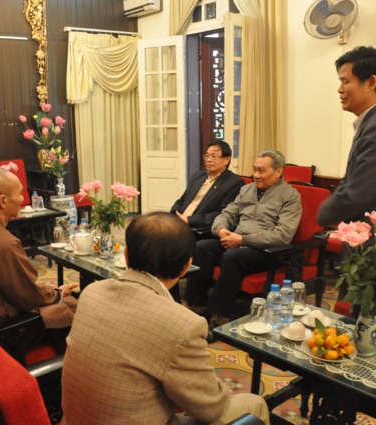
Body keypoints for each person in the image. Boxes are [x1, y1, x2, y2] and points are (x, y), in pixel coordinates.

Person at [61, 212, 270, 425]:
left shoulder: (91, 291)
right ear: (186, 266)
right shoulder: (182, 324)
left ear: (126, 256)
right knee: (255, 404)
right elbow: (211, 408)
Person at [317, 46, 376, 329]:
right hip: (368, 249)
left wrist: (321, 213)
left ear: (371, 82)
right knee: (365, 326)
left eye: (346, 81)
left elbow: (357, 191)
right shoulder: (373, 122)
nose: (340, 88)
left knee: (372, 328)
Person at [183, 150, 302, 326]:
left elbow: (283, 235)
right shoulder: (247, 189)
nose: (256, 175)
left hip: (265, 251)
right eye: (254, 170)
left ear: (278, 171)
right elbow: (227, 214)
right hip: (236, 241)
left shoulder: (290, 196)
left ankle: (218, 314)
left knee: (232, 256)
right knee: (202, 247)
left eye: (261, 171)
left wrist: (243, 240)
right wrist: (221, 229)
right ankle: (195, 303)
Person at [0, 167, 77, 332]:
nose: (23, 199)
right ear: (3, 200)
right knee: (72, 306)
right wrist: (58, 293)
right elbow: (29, 296)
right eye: (20, 193)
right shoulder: (4, 243)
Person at [171, 140, 244, 231]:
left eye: (214, 156)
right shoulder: (198, 176)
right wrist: (173, 215)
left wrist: (189, 220)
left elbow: (222, 214)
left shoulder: (234, 182)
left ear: (226, 159)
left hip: (198, 228)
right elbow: (182, 200)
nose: (209, 160)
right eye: (207, 156)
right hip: (179, 223)